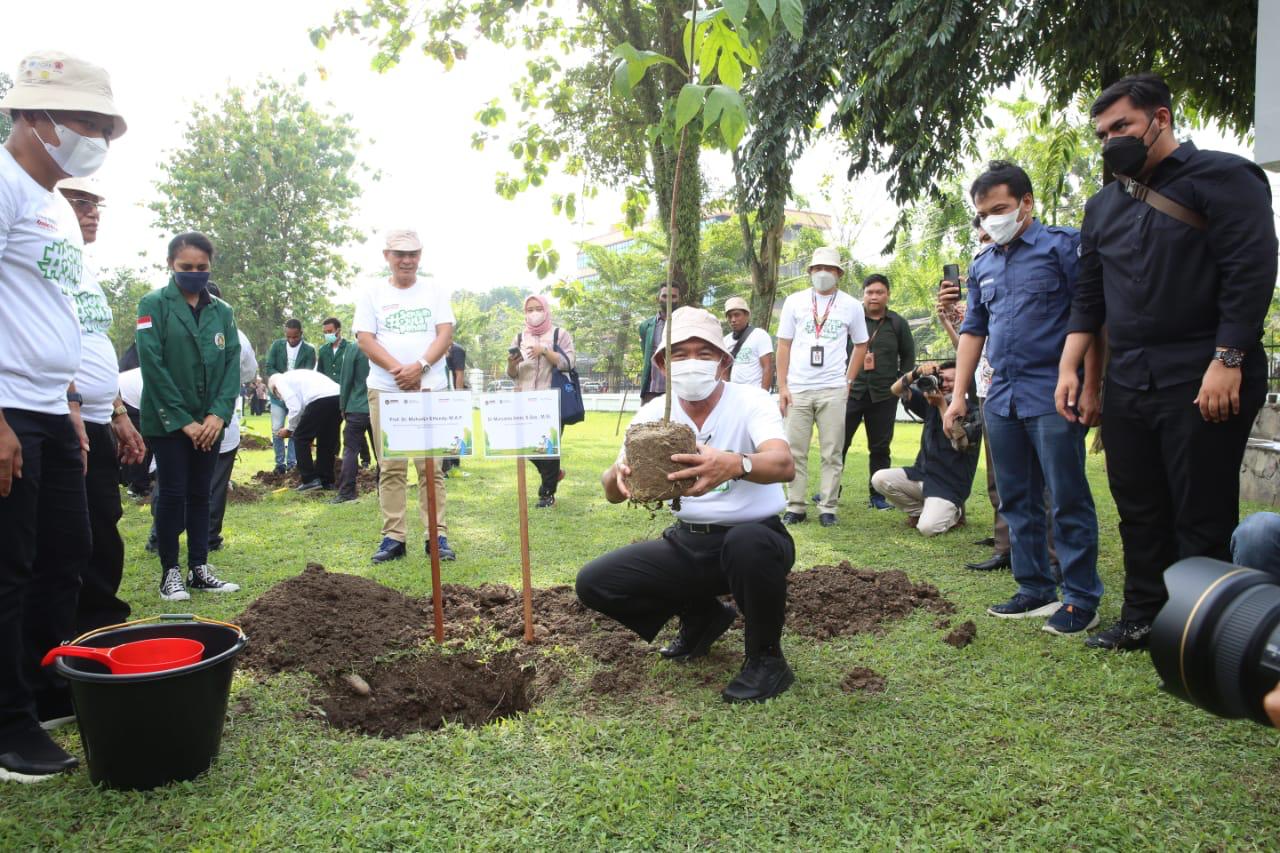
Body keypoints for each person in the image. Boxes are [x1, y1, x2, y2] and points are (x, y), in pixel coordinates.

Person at [1057, 74, 1278, 651]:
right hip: (1131, 375)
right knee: (1138, 502)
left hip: (1205, 369)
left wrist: (1228, 357)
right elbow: (1089, 297)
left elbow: (1250, 268)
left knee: (1200, 507)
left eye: (1122, 127)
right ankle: (1142, 616)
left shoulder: (1226, 177)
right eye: (1103, 133)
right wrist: (1075, 373)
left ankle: (1202, 630)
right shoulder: (1103, 205)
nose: (1111, 141)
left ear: (1161, 118)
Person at [0, 49, 124, 781]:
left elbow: (51, 314)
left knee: (64, 553)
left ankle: (46, 687)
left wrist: (72, 402)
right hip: (8, 405)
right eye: (85, 120)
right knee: (8, 567)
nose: (96, 138)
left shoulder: (53, 204)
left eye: (104, 125)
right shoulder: (5, 184)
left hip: (51, 408)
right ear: (32, 114)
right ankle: (7, 722)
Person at [576, 306, 798, 703]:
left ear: (723, 362)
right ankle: (704, 617)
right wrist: (615, 476)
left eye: (704, 352)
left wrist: (734, 464)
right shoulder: (651, 416)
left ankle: (767, 660)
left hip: (758, 539)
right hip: (690, 541)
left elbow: (783, 464)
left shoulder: (751, 401)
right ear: (662, 363)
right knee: (595, 583)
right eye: (679, 354)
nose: (691, 362)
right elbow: (612, 488)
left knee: (746, 544)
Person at [943, 160, 1104, 637]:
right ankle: (1033, 588)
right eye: (983, 212)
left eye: (1000, 208)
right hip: (1000, 397)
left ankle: (1080, 598)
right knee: (1016, 497)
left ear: (1026, 203)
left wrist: (1091, 384)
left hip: (1055, 394)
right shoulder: (983, 264)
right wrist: (959, 398)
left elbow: (1093, 318)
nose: (992, 219)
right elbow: (973, 331)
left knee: (1066, 496)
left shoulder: (1063, 247)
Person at [50, 177, 146, 636]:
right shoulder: (42, 264)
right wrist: (69, 401)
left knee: (104, 525)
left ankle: (103, 625)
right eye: (79, 203)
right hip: (58, 417)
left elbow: (93, 343)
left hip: (97, 417)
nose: (92, 213)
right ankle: (64, 637)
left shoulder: (84, 272)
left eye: (95, 204)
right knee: (70, 537)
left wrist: (119, 414)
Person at [137, 232, 242, 602]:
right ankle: (170, 573)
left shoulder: (222, 312)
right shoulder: (153, 305)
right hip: (169, 423)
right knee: (173, 493)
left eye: (202, 267)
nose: (194, 273)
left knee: (201, 493)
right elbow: (153, 366)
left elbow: (231, 366)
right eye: (186, 267)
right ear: (171, 265)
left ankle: (200, 567)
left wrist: (217, 415)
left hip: (209, 423)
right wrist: (185, 421)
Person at [353, 229, 456, 563]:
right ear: (387, 256)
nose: (407, 260)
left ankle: (437, 537)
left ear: (420, 256)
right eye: (400, 254)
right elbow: (365, 339)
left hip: (430, 389)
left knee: (431, 468)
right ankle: (393, 537)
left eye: (413, 254)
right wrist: (400, 370)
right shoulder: (372, 292)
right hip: (386, 389)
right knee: (392, 466)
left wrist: (420, 366)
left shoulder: (435, 289)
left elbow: (445, 334)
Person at [775, 246, 869, 527]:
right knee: (795, 451)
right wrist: (782, 386)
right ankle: (796, 506)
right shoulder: (794, 302)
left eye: (829, 269)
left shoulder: (852, 305)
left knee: (832, 451)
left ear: (839, 273)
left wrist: (848, 380)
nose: (823, 274)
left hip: (833, 388)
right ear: (810, 272)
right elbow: (783, 344)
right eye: (818, 269)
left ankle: (828, 507)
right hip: (798, 388)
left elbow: (862, 344)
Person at [871, 362, 978, 536]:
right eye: (942, 379)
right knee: (879, 479)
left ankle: (955, 512)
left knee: (928, 529)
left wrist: (943, 405)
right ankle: (919, 511)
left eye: (952, 380)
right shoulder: (930, 402)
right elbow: (895, 389)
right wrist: (917, 372)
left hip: (949, 485)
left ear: (962, 383)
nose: (945, 384)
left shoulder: (972, 410)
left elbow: (960, 442)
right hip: (922, 475)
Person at [841, 273, 915, 510]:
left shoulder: (897, 323)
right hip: (851, 392)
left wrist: (900, 384)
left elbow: (908, 357)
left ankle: (878, 496)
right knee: (838, 444)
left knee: (880, 448)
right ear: (863, 295)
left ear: (887, 295)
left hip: (884, 395)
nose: (874, 297)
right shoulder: (851, 320)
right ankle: (830, 491)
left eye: (879, 292)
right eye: (870, 292)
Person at [507, 294, 576, 508]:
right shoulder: (519, 338)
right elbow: (511, 374)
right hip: (525, 401)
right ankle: (553, 474)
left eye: (538, 308)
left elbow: (568, 363)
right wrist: (511, 363)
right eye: (530, 309)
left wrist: (545, 351)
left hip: (551, 401)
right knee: (524, 446)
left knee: (548, 448)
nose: (534, 313)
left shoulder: (559, 334)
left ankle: (547, 495)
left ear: (546, 310)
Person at [268, 370, 341, 493]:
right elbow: (302, 409)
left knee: (300, 438)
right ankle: (326, 480)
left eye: (277, 395)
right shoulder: (296, 377)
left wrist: (290, 430)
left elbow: (295, 407)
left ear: (274, 388)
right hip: (337, 397)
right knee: (326, 440)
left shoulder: (280, 381)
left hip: (319, 399)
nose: (280, 397)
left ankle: (310, 479)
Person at [264, 319, 316, 474]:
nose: (292, 340)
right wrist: (279, 381)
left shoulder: (309, 350)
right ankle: (279, 464)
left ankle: (292, 463)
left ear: (301, 333)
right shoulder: (276, 346)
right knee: (276, 428)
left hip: (297, 396)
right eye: (289, 337)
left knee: (293, 428)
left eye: (295, 337)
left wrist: (291, 385)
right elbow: (269, 366)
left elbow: (307, 372)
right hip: (278, 395)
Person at [331, 345, 373, 504]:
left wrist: (343, 405)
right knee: (382, 451)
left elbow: (346, 379)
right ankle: (385, 490)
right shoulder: (383, 345)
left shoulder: (354, 349)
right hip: (380, 405)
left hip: (356, 406)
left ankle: (347, 492)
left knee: (350, 450)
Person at [638, 283, 681, 404]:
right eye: (664, 296)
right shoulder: (646, 326)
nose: (668, 300)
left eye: (673, 296)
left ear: (679, 299)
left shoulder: (685, 323)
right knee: (648, 422)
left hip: (678, 391)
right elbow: (646, 355)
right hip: (651, 390)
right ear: (658, 298)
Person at [722, 297, 773, 390]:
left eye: (737, 315)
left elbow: (768, 367)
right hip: (735, 395)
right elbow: (724, 371)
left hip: (755, 393)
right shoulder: (726, 340)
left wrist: (763, 395)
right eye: (729, 316)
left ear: (747, 315)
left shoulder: (760, 335)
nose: (733, 319)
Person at [441, 341, 467, 477]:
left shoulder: (457, 350)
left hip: (450, 394)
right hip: (441, 394)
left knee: (451, 429)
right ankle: (449, 463)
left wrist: (458, 397)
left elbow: (459, 374)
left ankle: (452, 463)